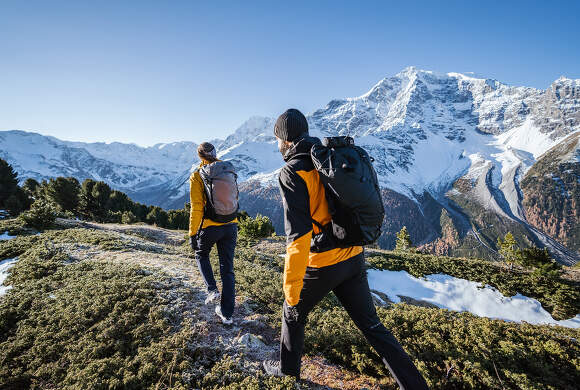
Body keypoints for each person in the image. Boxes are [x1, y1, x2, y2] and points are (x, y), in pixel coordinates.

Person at [262, 109, 429, 389]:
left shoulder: (292, 172)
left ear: (285, 140)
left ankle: (287, 372)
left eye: (277, 138)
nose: (277, 144)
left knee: (292, 313)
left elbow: (298, 238)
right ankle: (415, 386)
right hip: (352, 258)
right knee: (373, 327)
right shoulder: (328, 158)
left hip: (322, 264)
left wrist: (290, 290)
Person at [189, 142, 238, 325]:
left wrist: (193, 234)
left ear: (200, 156)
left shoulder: (197, 176)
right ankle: (227, 315)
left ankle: (212, 290)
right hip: (231, 224)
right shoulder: (227, 169)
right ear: (216, 153)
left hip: (210, 226)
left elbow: (196, 209)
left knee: (201, 254)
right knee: (228, 269)